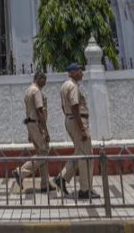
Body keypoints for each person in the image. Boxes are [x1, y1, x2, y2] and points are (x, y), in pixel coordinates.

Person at [52, 63, 99, 199]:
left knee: (80, 152)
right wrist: (82, 129)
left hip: (70, 119)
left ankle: (62, 178)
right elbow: (75, 107)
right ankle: (85, 190)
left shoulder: (64, 85)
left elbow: (63, 106)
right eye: (79, 71)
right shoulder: (72, 86)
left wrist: (70, 119)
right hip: (78, 120)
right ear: (72, 72)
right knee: (86, 156)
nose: (82, 73)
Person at [12, 72, 56, 192]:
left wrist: (29, 132)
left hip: (31, 124)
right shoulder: (36, 91)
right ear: (38, 78)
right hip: (37, 125)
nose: (45, 82)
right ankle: (20, 172)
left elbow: (28, 112)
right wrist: (46, 130)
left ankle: (44, 184)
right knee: (43, 153)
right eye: (43, 79)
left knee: (42, 152)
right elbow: (39, 111)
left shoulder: (28, 91)